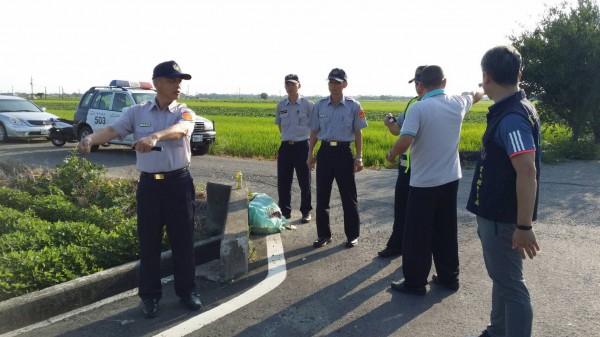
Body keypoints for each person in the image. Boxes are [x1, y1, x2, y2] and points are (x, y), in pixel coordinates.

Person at [77, 60, 203, 318]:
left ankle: (186, 291)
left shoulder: (184, 112)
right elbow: (113, 130)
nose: (177, 85)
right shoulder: (137, 112)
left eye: (180, 80)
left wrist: (155, 136)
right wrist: (91, 138)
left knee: (183, 241)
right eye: (172, 80)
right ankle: (150, 296)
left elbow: (182, 130)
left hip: (178, 184)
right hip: (149, 187)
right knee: (148, 243)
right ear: (157, 83)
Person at [386, 65, 483, 295]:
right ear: (444, 81)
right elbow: (475, 95)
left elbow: (405, 139)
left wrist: (391, 155)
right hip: (450, 179)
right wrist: (480, 88)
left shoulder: (419, 108)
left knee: (417, 234)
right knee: (446, 230)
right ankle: (449, 277)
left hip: (424, 182)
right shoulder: (457, 103)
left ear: (421, 85)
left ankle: (415, 282)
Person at [466, 45, 541, 337]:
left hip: (502, 219)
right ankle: (497, 330)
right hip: (497, 216)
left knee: (512, 285)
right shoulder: (518, 108)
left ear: (486, 77)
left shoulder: (511, 118)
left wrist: (524, 226)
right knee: (503, 277)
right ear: (518, 75)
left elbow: (526, 170)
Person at [307, 68, 368, 248]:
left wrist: (359, 157)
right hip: (325, 152)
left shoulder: (354, 106)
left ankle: (352, 235)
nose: (333, 86)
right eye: (330, 82)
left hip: (344, 153)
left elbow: (358, 133)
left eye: (336, 82)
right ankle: (323, 235)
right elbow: (314, 132)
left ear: (344, 85)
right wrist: (310, 154)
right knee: (322, 197)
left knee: (348, 197)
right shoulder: (320, 105)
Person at [378, 65, 426, 258]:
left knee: (420, 214)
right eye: (416, 82)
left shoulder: (430, 105)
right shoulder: (413, 103)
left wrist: (391, 154)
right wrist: (390, 122)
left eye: (422, 82)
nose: (418, 86)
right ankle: (398, 245)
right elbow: (398, 129)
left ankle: (415, 250)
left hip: (422, 169)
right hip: (407, 167)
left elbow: (405, 139)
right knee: (401, 209)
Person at [275, 74, 314, 223]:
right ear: (285, 86)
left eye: (293, 84)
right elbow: (280, 126)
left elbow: (315, 128)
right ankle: (285, 212)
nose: (290, 87)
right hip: (286, 147)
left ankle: (306, 211)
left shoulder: (307, 105)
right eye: (287, 85)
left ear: (299, 85)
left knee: (305, 182)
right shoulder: (281, 106)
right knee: (283, 182)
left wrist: (311, 150)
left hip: (303, 146)